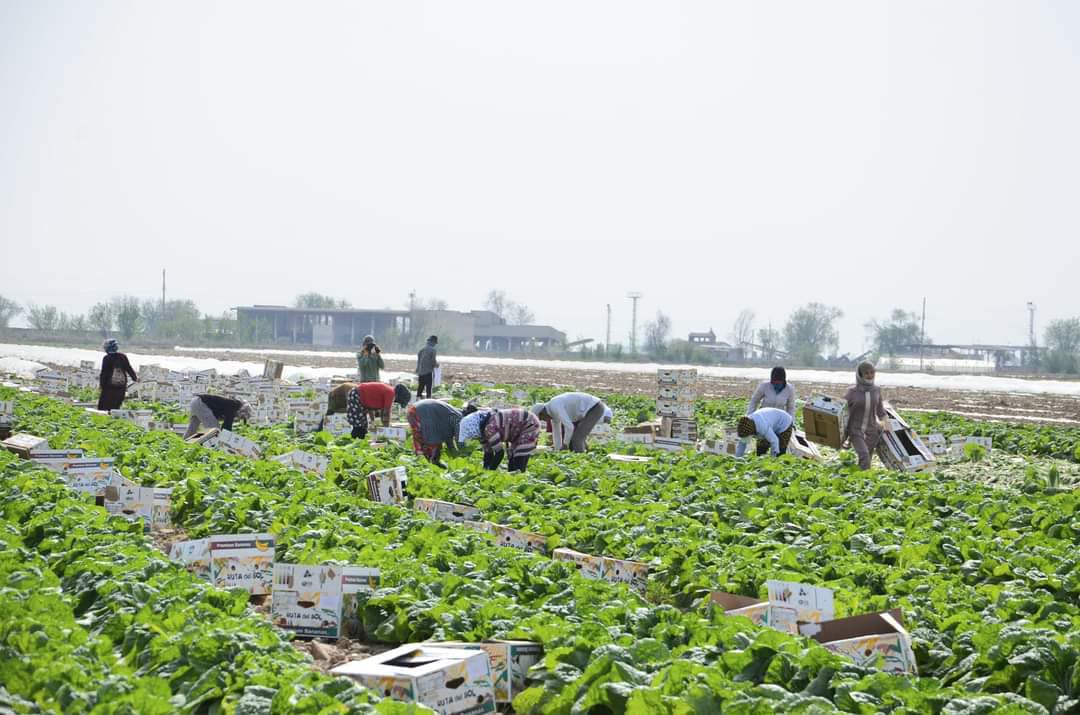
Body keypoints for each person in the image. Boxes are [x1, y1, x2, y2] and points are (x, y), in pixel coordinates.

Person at [458, 407, 541, 472]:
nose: (472, 438)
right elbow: (488, 453)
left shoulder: (489, 429)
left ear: (474, 431)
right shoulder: (481, 434)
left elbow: (500, 453)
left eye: (471, 436)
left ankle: (519, 480)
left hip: (529, 423)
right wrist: (485, 469)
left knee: (519, 457)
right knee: (512, 460)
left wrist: (490, 471)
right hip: (516, 429)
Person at [843, 361, 891, 470]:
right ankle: (863, 478)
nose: (870, 376)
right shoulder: (852, 391)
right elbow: (842, 409)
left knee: (868, 457)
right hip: (855, 430)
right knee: (864, 454)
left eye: (872, 372)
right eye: (866, 373)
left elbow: (880, 410)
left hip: (871, 430)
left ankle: (862, 480)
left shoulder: (876, 390)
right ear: (860, 375)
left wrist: (887, 425)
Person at [531, 391, 606, 452]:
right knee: (576, 437)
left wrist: (565, 444)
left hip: (594, 407)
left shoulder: (555, 405)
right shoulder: (551, 413)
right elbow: (556, 432)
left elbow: (569, 427)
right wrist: (557, 450)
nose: (542, 420)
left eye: (540, 417)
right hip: (585, 410)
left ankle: (580, 460)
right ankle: (586, 454)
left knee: (576, 439)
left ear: (542, 412)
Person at [345, 382, 412, 439]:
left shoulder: (388, 392)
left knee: (363, 426)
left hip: (360, 397)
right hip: (356, 395)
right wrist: (387, 430)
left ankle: (358, 441)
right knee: (358, 425)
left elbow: (376, 409)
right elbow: (386, 413)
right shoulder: (390, 393)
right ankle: (352, 442)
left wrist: (373, 421)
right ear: (399, 397)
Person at [407, 398, 462, 467]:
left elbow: (449, 439)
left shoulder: (451, 412)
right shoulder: (459, 418)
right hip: (422, 412)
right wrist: (461, 453)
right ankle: (429, 464)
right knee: (433, 441)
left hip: (413, 410)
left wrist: (453, 451)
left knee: (419, 438)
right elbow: (459, 439)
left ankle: (422, 463)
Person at [184, 394, 253, 439]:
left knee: (192, 427)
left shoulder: (232, 404)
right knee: (214, 430)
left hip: (195, 401)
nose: (239, 418)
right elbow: (227, 426)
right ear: (242, 412)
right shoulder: (233, 406)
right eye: (241, 417)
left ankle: (185, 443)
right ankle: (212, 448)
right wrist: (226, 439)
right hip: (201, 403)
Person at [97, 339, 138, 411]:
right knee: (116, 405)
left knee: (104, 406)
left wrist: (101, 385)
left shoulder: (106, 358)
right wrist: (135, 378)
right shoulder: (122, 356)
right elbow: (129, 368)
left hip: (109, 386)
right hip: (121, 385)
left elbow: (104, 373)